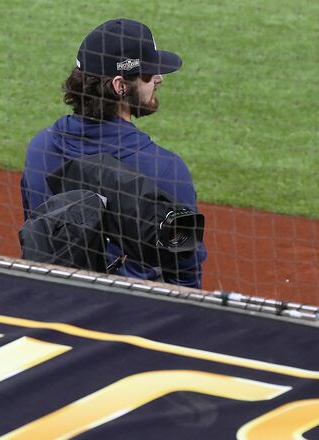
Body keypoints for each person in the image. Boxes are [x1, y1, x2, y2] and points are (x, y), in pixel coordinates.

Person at [20, 18, 207, 289]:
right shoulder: (166, 170)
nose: (159, 79)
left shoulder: (40, 147)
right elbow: (185, 276)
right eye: (148, 74)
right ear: (120, 86)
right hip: (126, 315)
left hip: (51, 299)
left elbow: (36, 230)